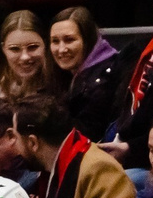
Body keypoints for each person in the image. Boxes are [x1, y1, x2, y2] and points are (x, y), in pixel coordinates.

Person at [14, 96, 136, 198]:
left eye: (15, 138)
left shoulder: (99, 169)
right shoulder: (45, 174)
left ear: (33, 143)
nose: (15, 148)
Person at [49, 8, 129, 147]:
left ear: (88, 40)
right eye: (55, 41)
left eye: (69, 40)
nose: (61, 49)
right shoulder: (65, 73)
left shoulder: (105, 80)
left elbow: (86, 135)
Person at [0, 10, 65, 115]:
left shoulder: (61, 82)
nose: (25, 57)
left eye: (33, 47)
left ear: (45, 44)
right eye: (14, 49)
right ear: (3, 49)